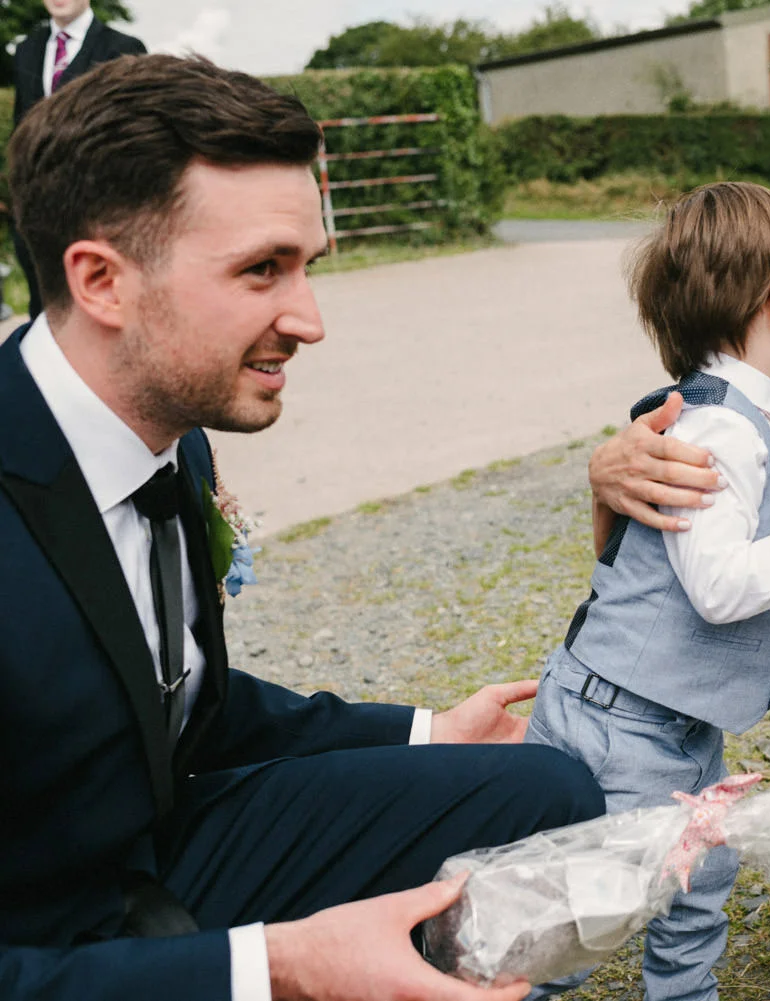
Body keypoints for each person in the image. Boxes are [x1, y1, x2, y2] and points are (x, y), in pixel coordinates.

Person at [0, 55, 609, 1001]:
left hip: (156, 839)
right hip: (36, 931)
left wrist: (428, 732)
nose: (311, 320)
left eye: (308, 266)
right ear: (102, 282)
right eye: (262, 271)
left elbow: (178, 700)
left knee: (547, 793)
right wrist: (273, 967)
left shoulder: (173, 440)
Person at [525, 182, 770, 1001]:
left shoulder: (749, 420)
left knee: (701, 873)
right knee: (596, 913)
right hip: (625, 721)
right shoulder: (719, 431)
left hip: (667, 714)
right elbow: (723, 586)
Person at [10, 0, 145, 318]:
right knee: (42, 313)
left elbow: (131, 137)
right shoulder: (28, 48)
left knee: (95, 313)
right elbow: (21, 126)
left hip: (96, 208)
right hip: (34, 208)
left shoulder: (123, 48)